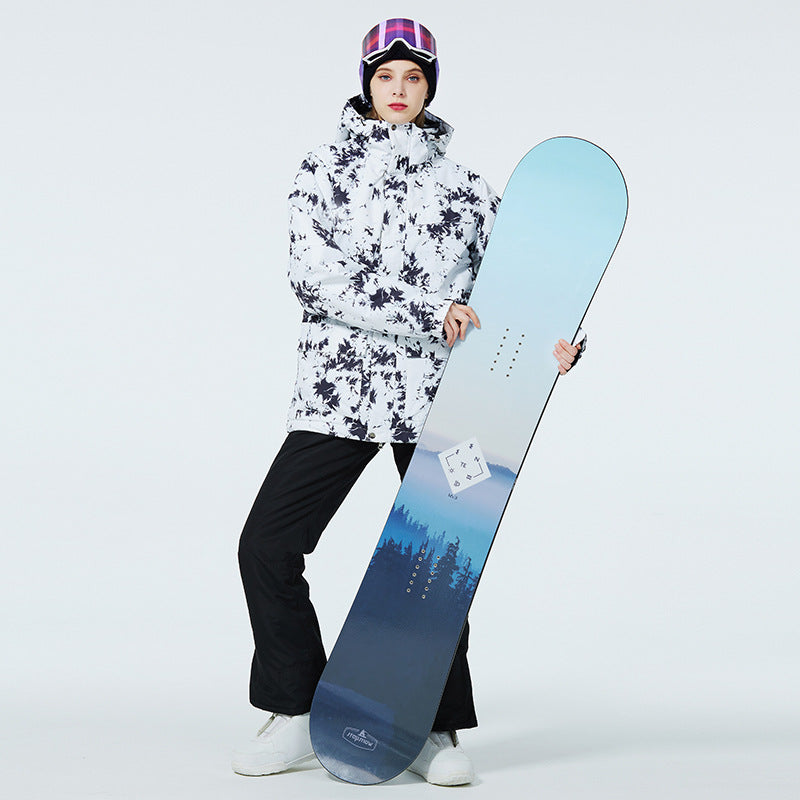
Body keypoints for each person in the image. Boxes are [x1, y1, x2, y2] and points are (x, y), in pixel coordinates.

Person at [232, 18, 584, 787]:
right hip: (340, 394)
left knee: (440, 560)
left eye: (414, 78)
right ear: (366, 82)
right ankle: (296, 712)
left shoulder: (465, 188)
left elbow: (514, 287)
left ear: (430, 87)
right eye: (386, 76)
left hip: (442, 402)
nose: (399, 89)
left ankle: (431, 728)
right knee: (266, 544)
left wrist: (554, 347)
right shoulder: (323, 169)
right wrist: (431, 311)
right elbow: (315, 279)